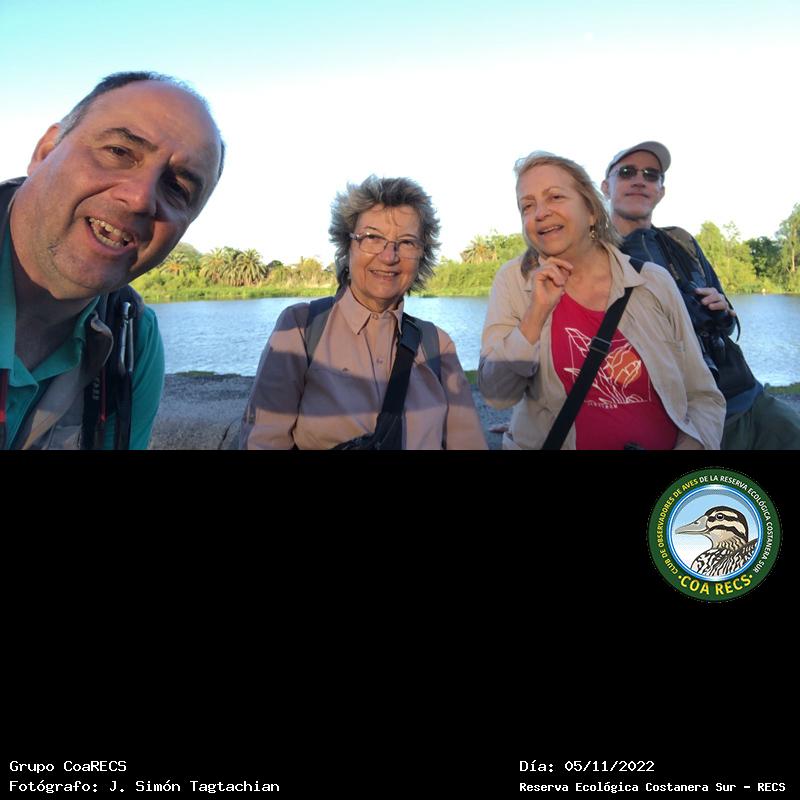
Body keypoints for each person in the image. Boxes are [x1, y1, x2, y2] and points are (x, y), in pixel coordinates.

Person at [1, 71, 224, 449]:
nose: (140, 199)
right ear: (46, 151)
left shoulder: (132, 338)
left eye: (177, 187)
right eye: (119, 152)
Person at [479, 152, 725, 450]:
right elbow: (497, 395)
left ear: (592, 211)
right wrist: (536, 313)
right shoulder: (514, 281)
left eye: (555, 197)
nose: (540, 213)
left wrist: (692, 446)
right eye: (527, 206)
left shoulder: (653, 281)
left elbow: (703, 395)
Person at [240, 175, 487, 450]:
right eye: (372, 238)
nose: (389, 256)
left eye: (407, 242)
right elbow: (263, 442)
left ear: (422, 256)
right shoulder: (301, 329)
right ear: (348, 246)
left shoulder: (437, 345)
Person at [602, 141, 800, 449]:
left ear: (661, 191)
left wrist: (723, 311)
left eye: (651, 175)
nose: (640, 180)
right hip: (680, 413)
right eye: (627, 172)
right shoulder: (594, 257)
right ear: (606, 187)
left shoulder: (681, 243)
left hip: (743, 392)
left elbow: (728, 318)